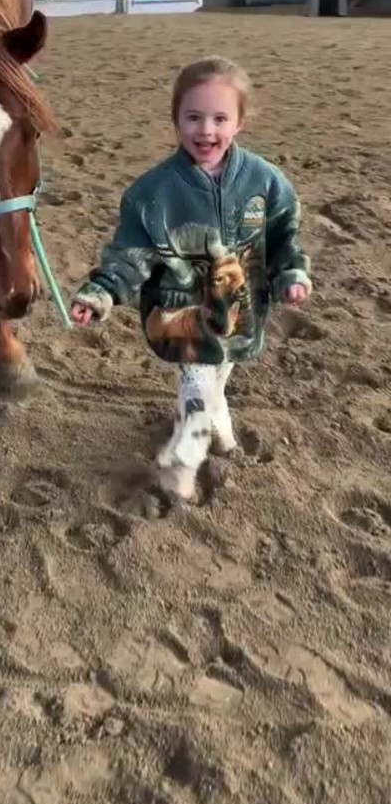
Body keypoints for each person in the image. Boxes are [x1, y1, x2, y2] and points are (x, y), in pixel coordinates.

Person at [70, 56, 312, 500]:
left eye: (220, 118)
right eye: (193, 117)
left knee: (219, 374)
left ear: (240, 121)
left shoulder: (266, 182)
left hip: (241, 313)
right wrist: (101, 291)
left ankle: (222, 430)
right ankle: (181, 467)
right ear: (176, 119)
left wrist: (290, 274)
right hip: (181, 312)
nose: (206, 130)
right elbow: (130, 254)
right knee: (197, 383)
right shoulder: (152, 194)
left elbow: (283, 237)